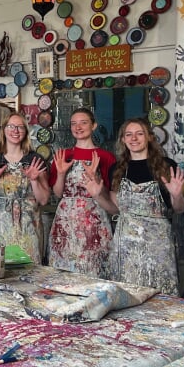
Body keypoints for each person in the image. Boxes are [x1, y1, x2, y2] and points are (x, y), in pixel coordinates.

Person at [86, 118, 184, 295]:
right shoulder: (117, 169)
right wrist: (97, 195)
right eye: (129, 134)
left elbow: (180, 209)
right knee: (126, 293)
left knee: (160, 293)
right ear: (123, 140)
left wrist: (177, 195)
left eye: (139, 133)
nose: (134, 138)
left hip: (158, 244)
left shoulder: (166, 166)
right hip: (125, 244)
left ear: (149, 137)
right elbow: (115, 209)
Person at [48, 107, 116, 278]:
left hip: (94, 221)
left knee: (94, 270)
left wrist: (97, 183)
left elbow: (110, 196)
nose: (78, 127)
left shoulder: (105, 157)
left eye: (83, 123)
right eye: (74, 124)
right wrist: (62, 173)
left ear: (93, 126)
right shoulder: (63, 155)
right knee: (63, 274)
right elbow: (58, 193)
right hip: (65, 222)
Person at [0, 112, 50, 262]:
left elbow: (43, 200)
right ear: (3, 130)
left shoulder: (35, 160)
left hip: (28, 228)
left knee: (30, 273)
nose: (15, 131)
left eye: (20, 127)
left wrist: (34, 180)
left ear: (25, 132)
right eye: (11, 126)